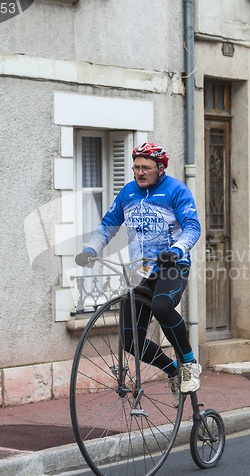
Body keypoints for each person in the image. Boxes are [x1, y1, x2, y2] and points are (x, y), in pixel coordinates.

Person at [75, 143, 201, 407]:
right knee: (131, 341)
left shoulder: (176, 190)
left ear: (160, 168)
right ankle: (172, 370)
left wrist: (176, 250)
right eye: (136, 167)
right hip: (139, 271)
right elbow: (108, 226)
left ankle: (189, 363)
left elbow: (192, 227)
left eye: (145, 168)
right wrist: (90, 249)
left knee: (162, 305)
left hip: (171, 267)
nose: (139, 172)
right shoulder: (128, 193)